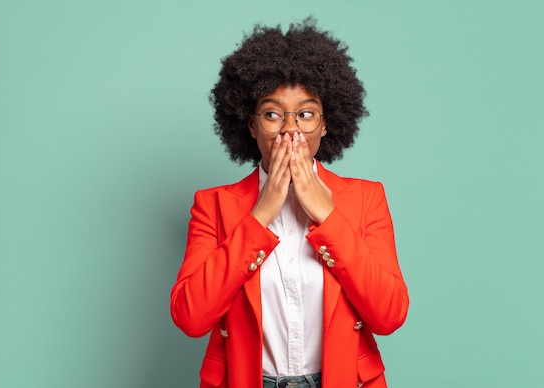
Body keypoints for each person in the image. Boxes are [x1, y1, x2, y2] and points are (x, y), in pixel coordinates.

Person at [171, 18, 409, 388]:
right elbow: (190, 318)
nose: (290, 129)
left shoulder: (366, 199)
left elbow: (389, 316)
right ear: (250, 125)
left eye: (306, 114)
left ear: (326, 124)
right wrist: (260, 215)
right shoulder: (212, 205)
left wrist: (327, 215)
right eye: (272, 114)